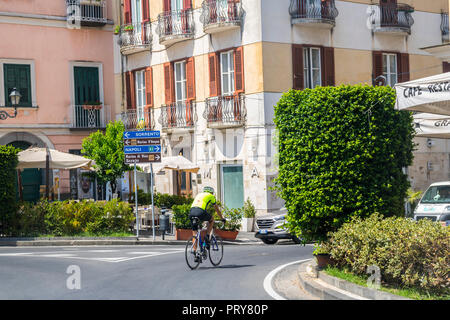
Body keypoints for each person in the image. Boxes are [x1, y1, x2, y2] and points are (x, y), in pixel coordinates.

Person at [189, 186, 225, 252]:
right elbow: (217, 209)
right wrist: (222, 218)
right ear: (211, 192)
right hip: (200, 211)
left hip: (191, 212)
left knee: (195, 233)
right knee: (211, 220)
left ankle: (195, 252)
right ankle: (207, 236)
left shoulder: (199, 194)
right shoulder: (211, 196)